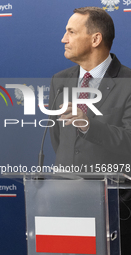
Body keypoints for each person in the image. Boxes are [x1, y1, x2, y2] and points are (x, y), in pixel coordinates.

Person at [49, 7, 131, 254]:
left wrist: (88, 124)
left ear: (96, 39)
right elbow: (59, 139)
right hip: (67, 203)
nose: (64, 39)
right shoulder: (59, 80)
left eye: (71, 32)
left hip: (115, 209)